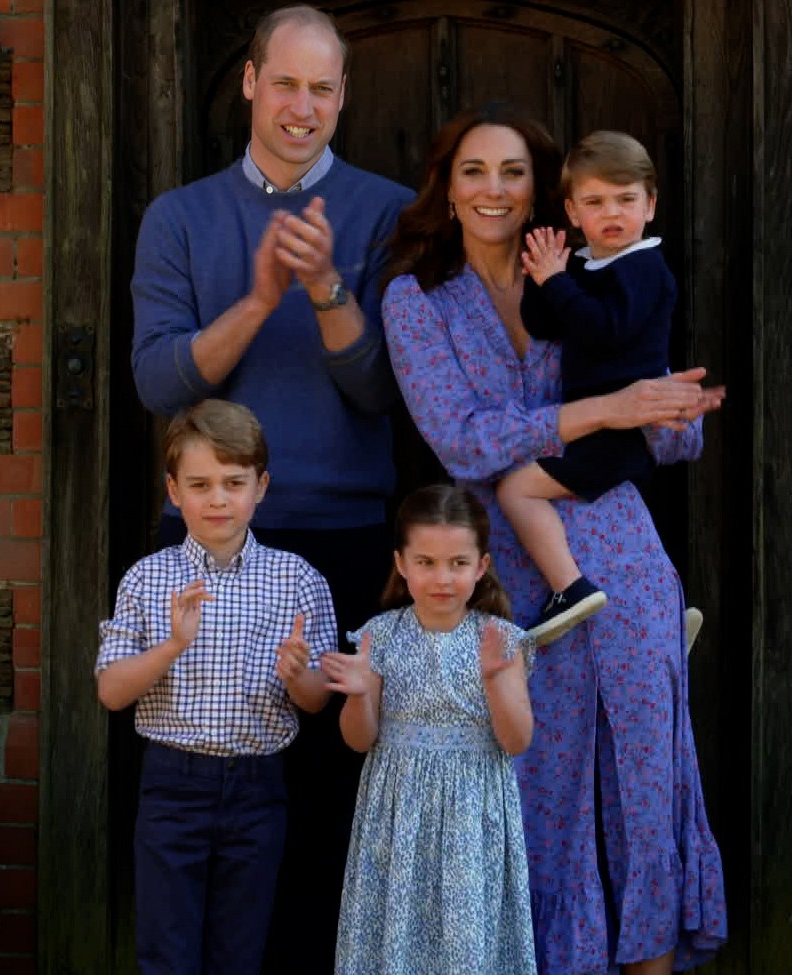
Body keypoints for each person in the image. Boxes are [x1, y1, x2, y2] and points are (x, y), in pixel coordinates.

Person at [381, 102, 727, 975]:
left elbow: (661, 423)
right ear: (446, 189)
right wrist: (607, 409)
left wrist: (672, 409)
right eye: (474, 171)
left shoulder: (590, 267)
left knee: (647, 777)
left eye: (512, 172)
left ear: (545, 192)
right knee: (538, 786)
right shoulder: (415, 297)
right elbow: (461, 439)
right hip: (506, 564)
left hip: (621, 540)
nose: (494, 189)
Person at [129, 6, 414, 969]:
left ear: (343, 97)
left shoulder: (388, 212)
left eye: (322, 88)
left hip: (340, 536)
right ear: (249, 82)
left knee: (329, 800)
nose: (302, 107)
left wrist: (328, 287)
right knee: (200, 804)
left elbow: (383, 391)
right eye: (284, 83)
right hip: (206, 542)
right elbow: (161, 382)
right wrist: (257, 298)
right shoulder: (181, 216)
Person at [95, 399, 335, 975]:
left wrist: (298, 674)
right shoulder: (148, 578)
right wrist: (173, 645)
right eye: (200, 484)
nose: (218, 499)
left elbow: (318, 699)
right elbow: (111, 692)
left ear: (261, 486)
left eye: (234, 482)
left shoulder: (297, 579)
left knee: (239, 949)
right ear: (174, 491)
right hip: (172, 785)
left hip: (257, 787)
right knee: (166, 949)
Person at [322, 484, 538, 975]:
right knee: (397, 936)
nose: (443, 577)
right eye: (426, 562)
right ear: (401, 563)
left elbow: (517, 741)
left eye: (458, 563)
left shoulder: (501, 639)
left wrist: (496, 682)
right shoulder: (381, 634)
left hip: (472, 814)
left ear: (481, 566)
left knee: (466, 943)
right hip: (397, 814)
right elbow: (359, 739)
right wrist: (358, 693)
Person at [496, 130, 678, 646]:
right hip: (595, 426)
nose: (612, 213)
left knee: (516, 489)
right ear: (574, 213)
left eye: (626, 199)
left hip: (618, 433)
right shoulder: (587, 265)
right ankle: (655, 618)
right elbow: (545, 323)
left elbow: (605, 329)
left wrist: (559, 281)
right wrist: (543, 275)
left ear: (651, 205)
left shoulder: (645, 268)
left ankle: (569, 589)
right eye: (596, 202)